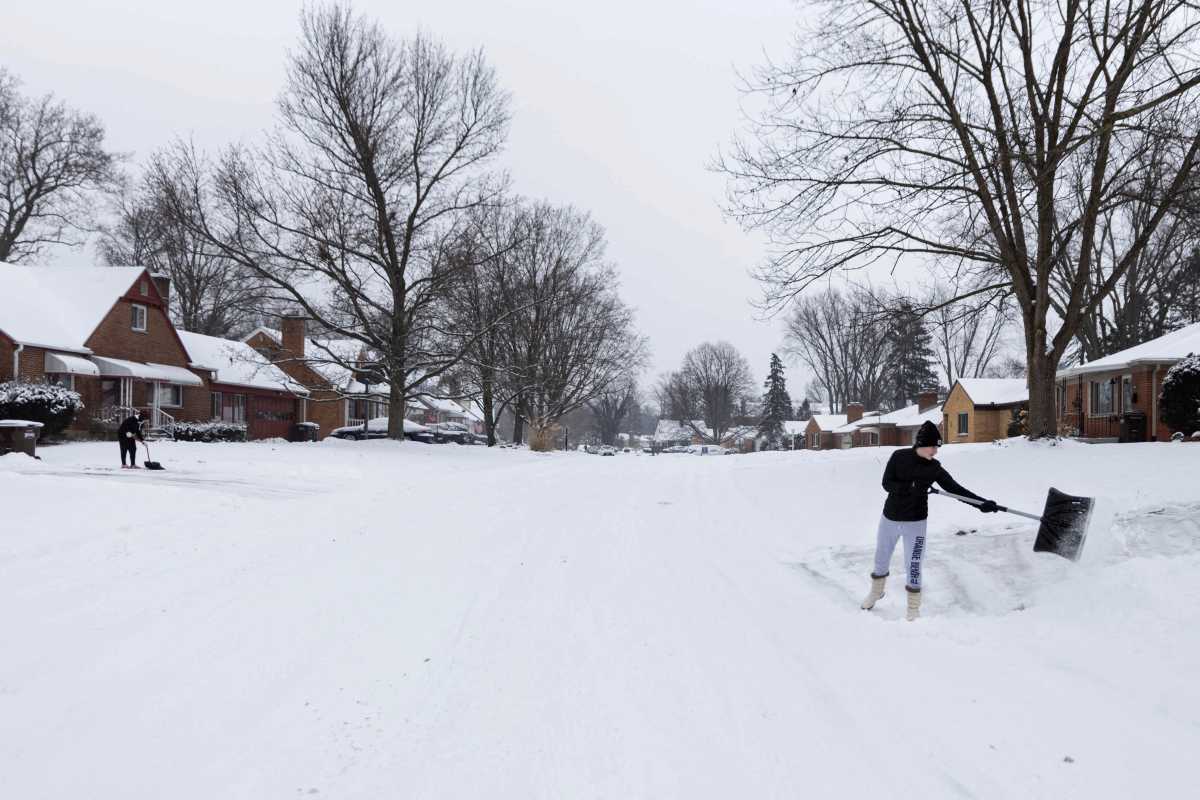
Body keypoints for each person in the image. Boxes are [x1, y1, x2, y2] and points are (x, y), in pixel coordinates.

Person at [861, 420, 999, 621]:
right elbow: (886, 483)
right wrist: (908, 488)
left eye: (937, 447)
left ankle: (913, 607)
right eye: (933, 446)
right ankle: (876, 592)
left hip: (916, 522)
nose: (935, 451)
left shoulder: (934, 468)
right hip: (890, 518)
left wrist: (982, 504)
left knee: (914, 564)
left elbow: (955, 489)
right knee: (881, 558)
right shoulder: (899, 457)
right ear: (921, 444)